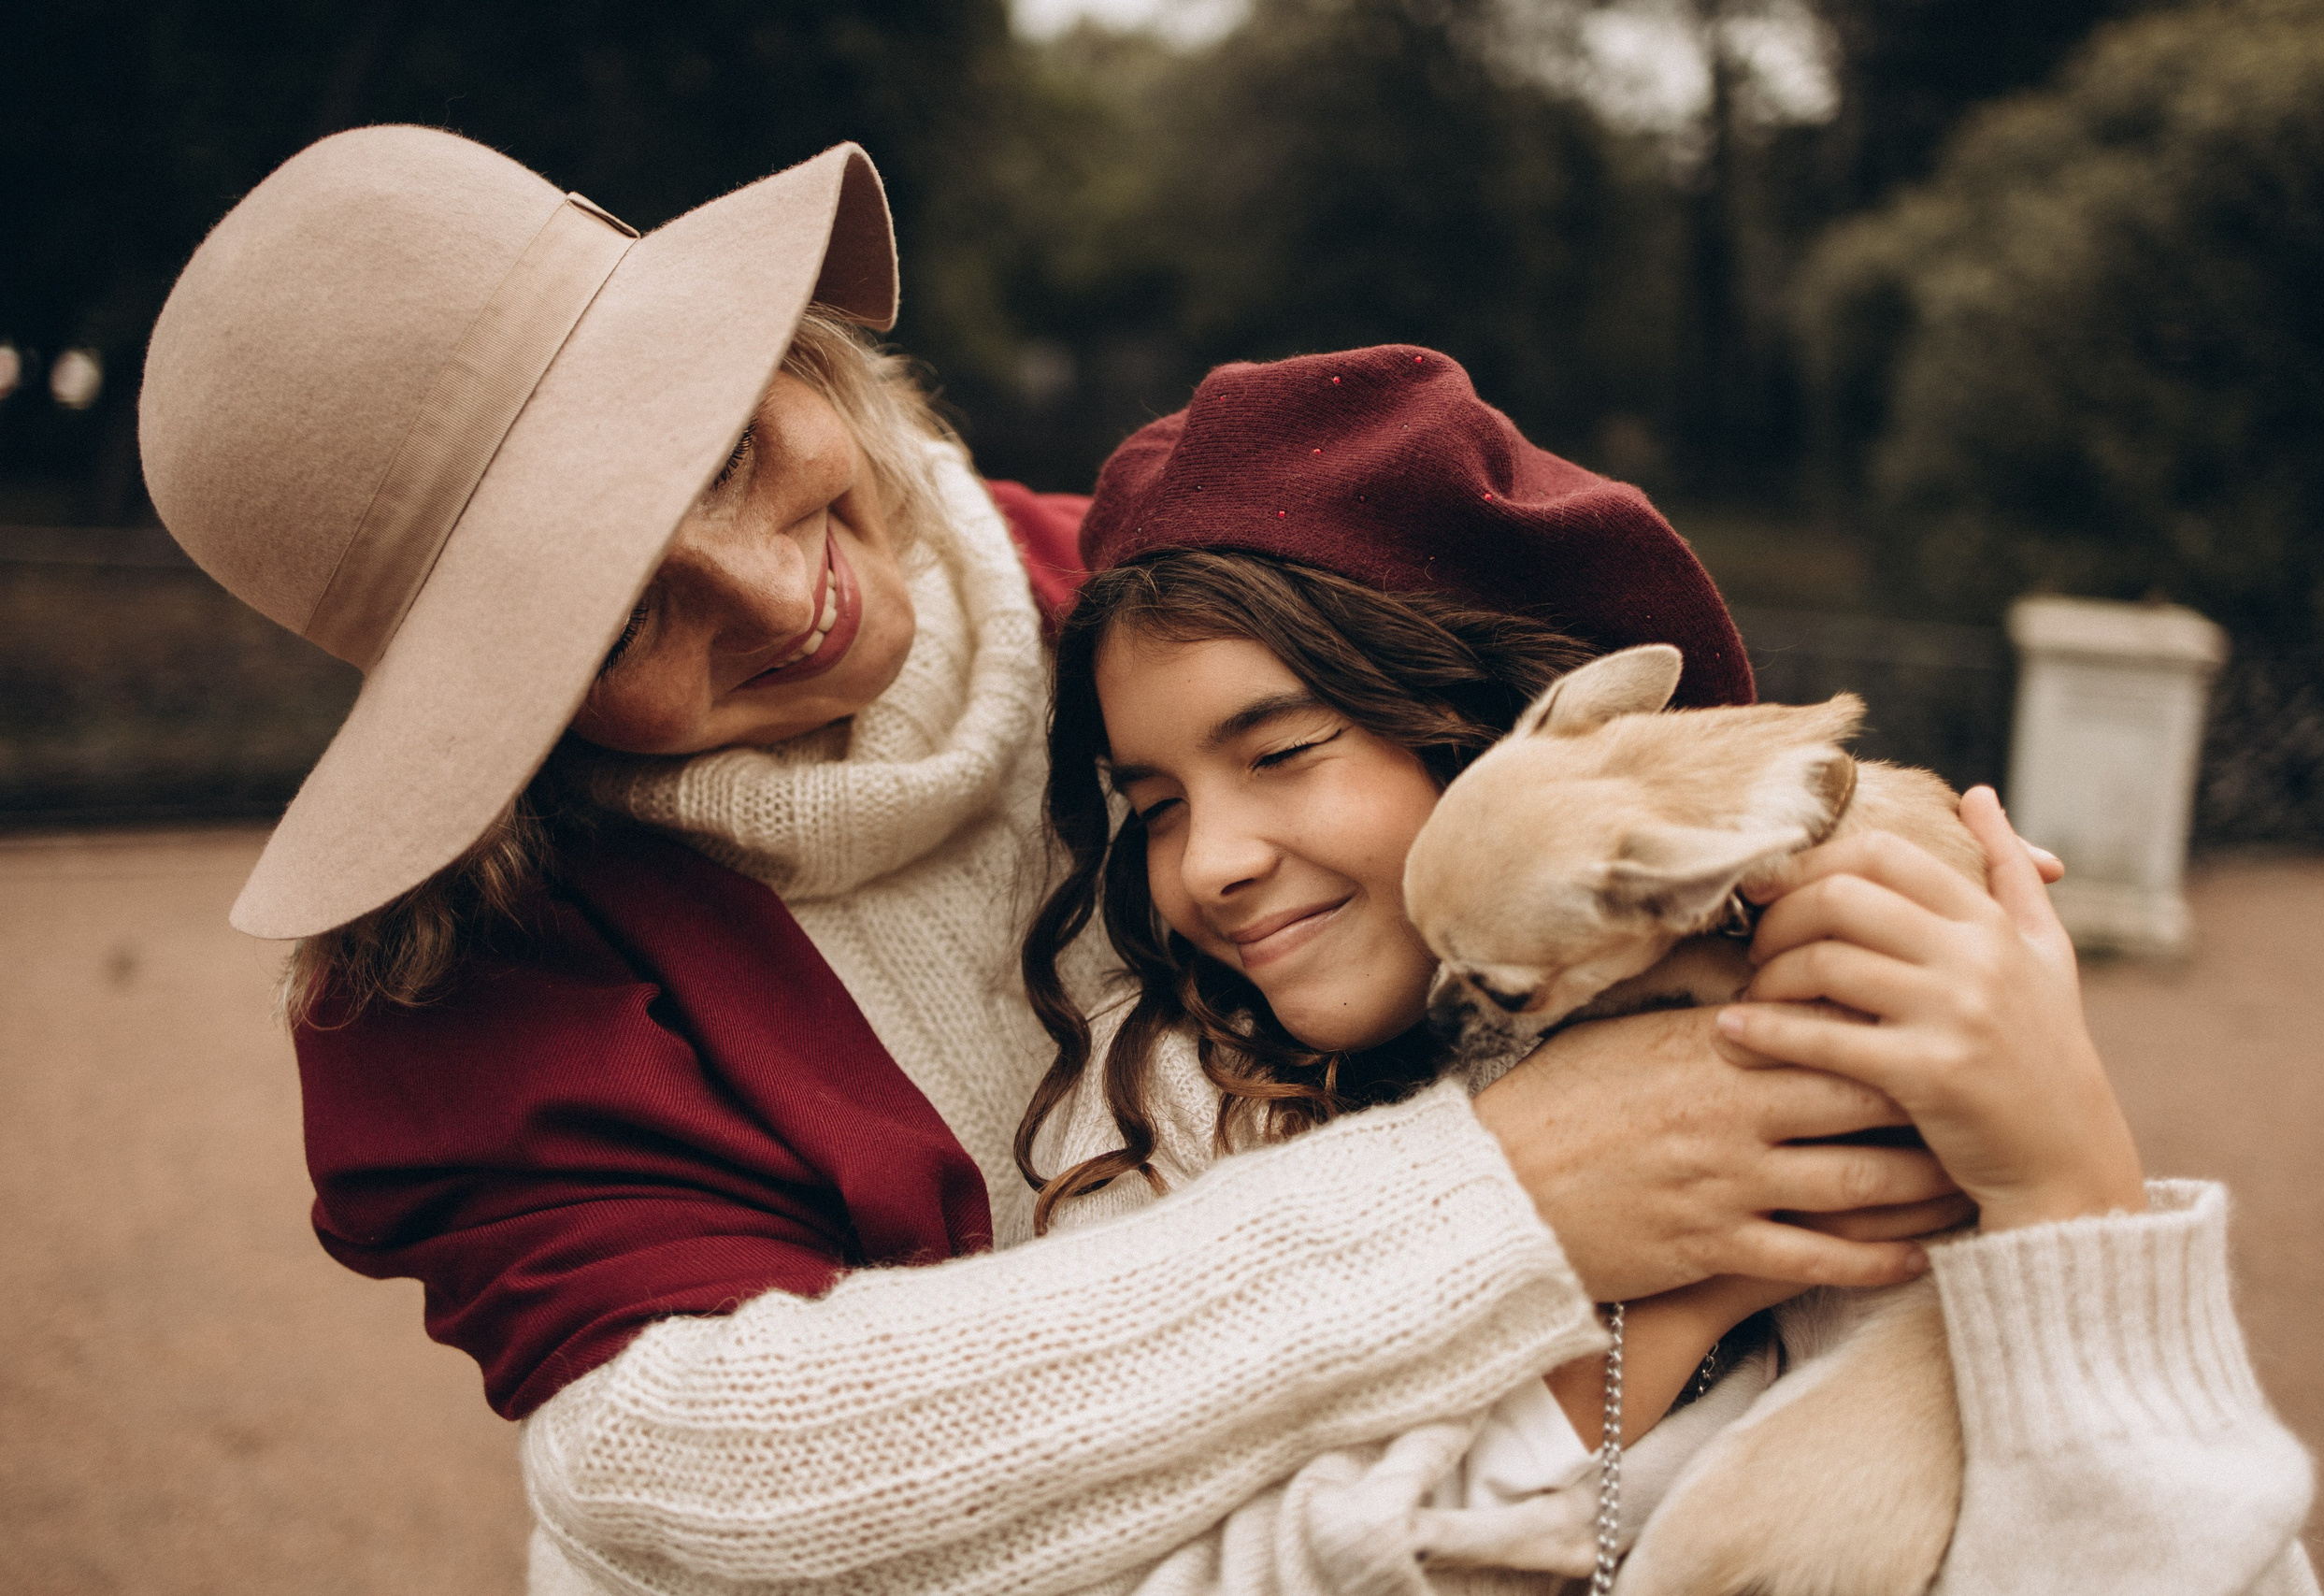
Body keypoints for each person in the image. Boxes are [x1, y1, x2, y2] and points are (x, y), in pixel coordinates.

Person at [145, 127, 2001, 1594]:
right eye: (602, 615)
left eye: (716, 441)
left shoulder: (1173, 596)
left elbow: (1639, 780)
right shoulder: (455, 994)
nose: (767, 586)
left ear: (785, 344)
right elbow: (686, 1474)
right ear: (491, 714)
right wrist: (1513, 1195)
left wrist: (1914, 928)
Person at [1017, 346, 2319, 1594]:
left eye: (1284, 749)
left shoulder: (1821, 1043)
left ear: (1485, 727)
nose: (1211, 864)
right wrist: (1667, 1306)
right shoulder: (1159, 1128)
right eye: (1156, 805)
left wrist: (2066, 1185)